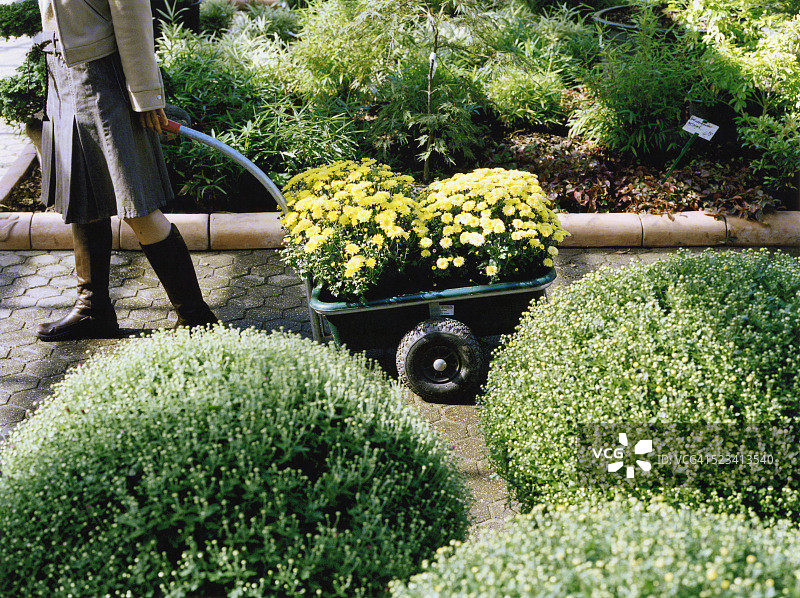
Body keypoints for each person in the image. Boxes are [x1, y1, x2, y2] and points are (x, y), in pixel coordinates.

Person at [34, 0, 218, 341]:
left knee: (135, 203)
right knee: (83, 197)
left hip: (100, 75)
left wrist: (146, 94)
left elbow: (131, 12)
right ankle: (94, 311)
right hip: (61, 71)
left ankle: (198, 319)